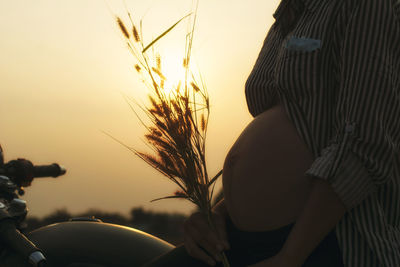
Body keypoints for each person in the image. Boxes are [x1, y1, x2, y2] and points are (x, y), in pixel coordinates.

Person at [142, 0, 400, 266]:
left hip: (321, 243)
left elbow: (363, 142)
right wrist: (218, 216)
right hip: (237, 239)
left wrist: (290, 256)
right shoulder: (289, 13)